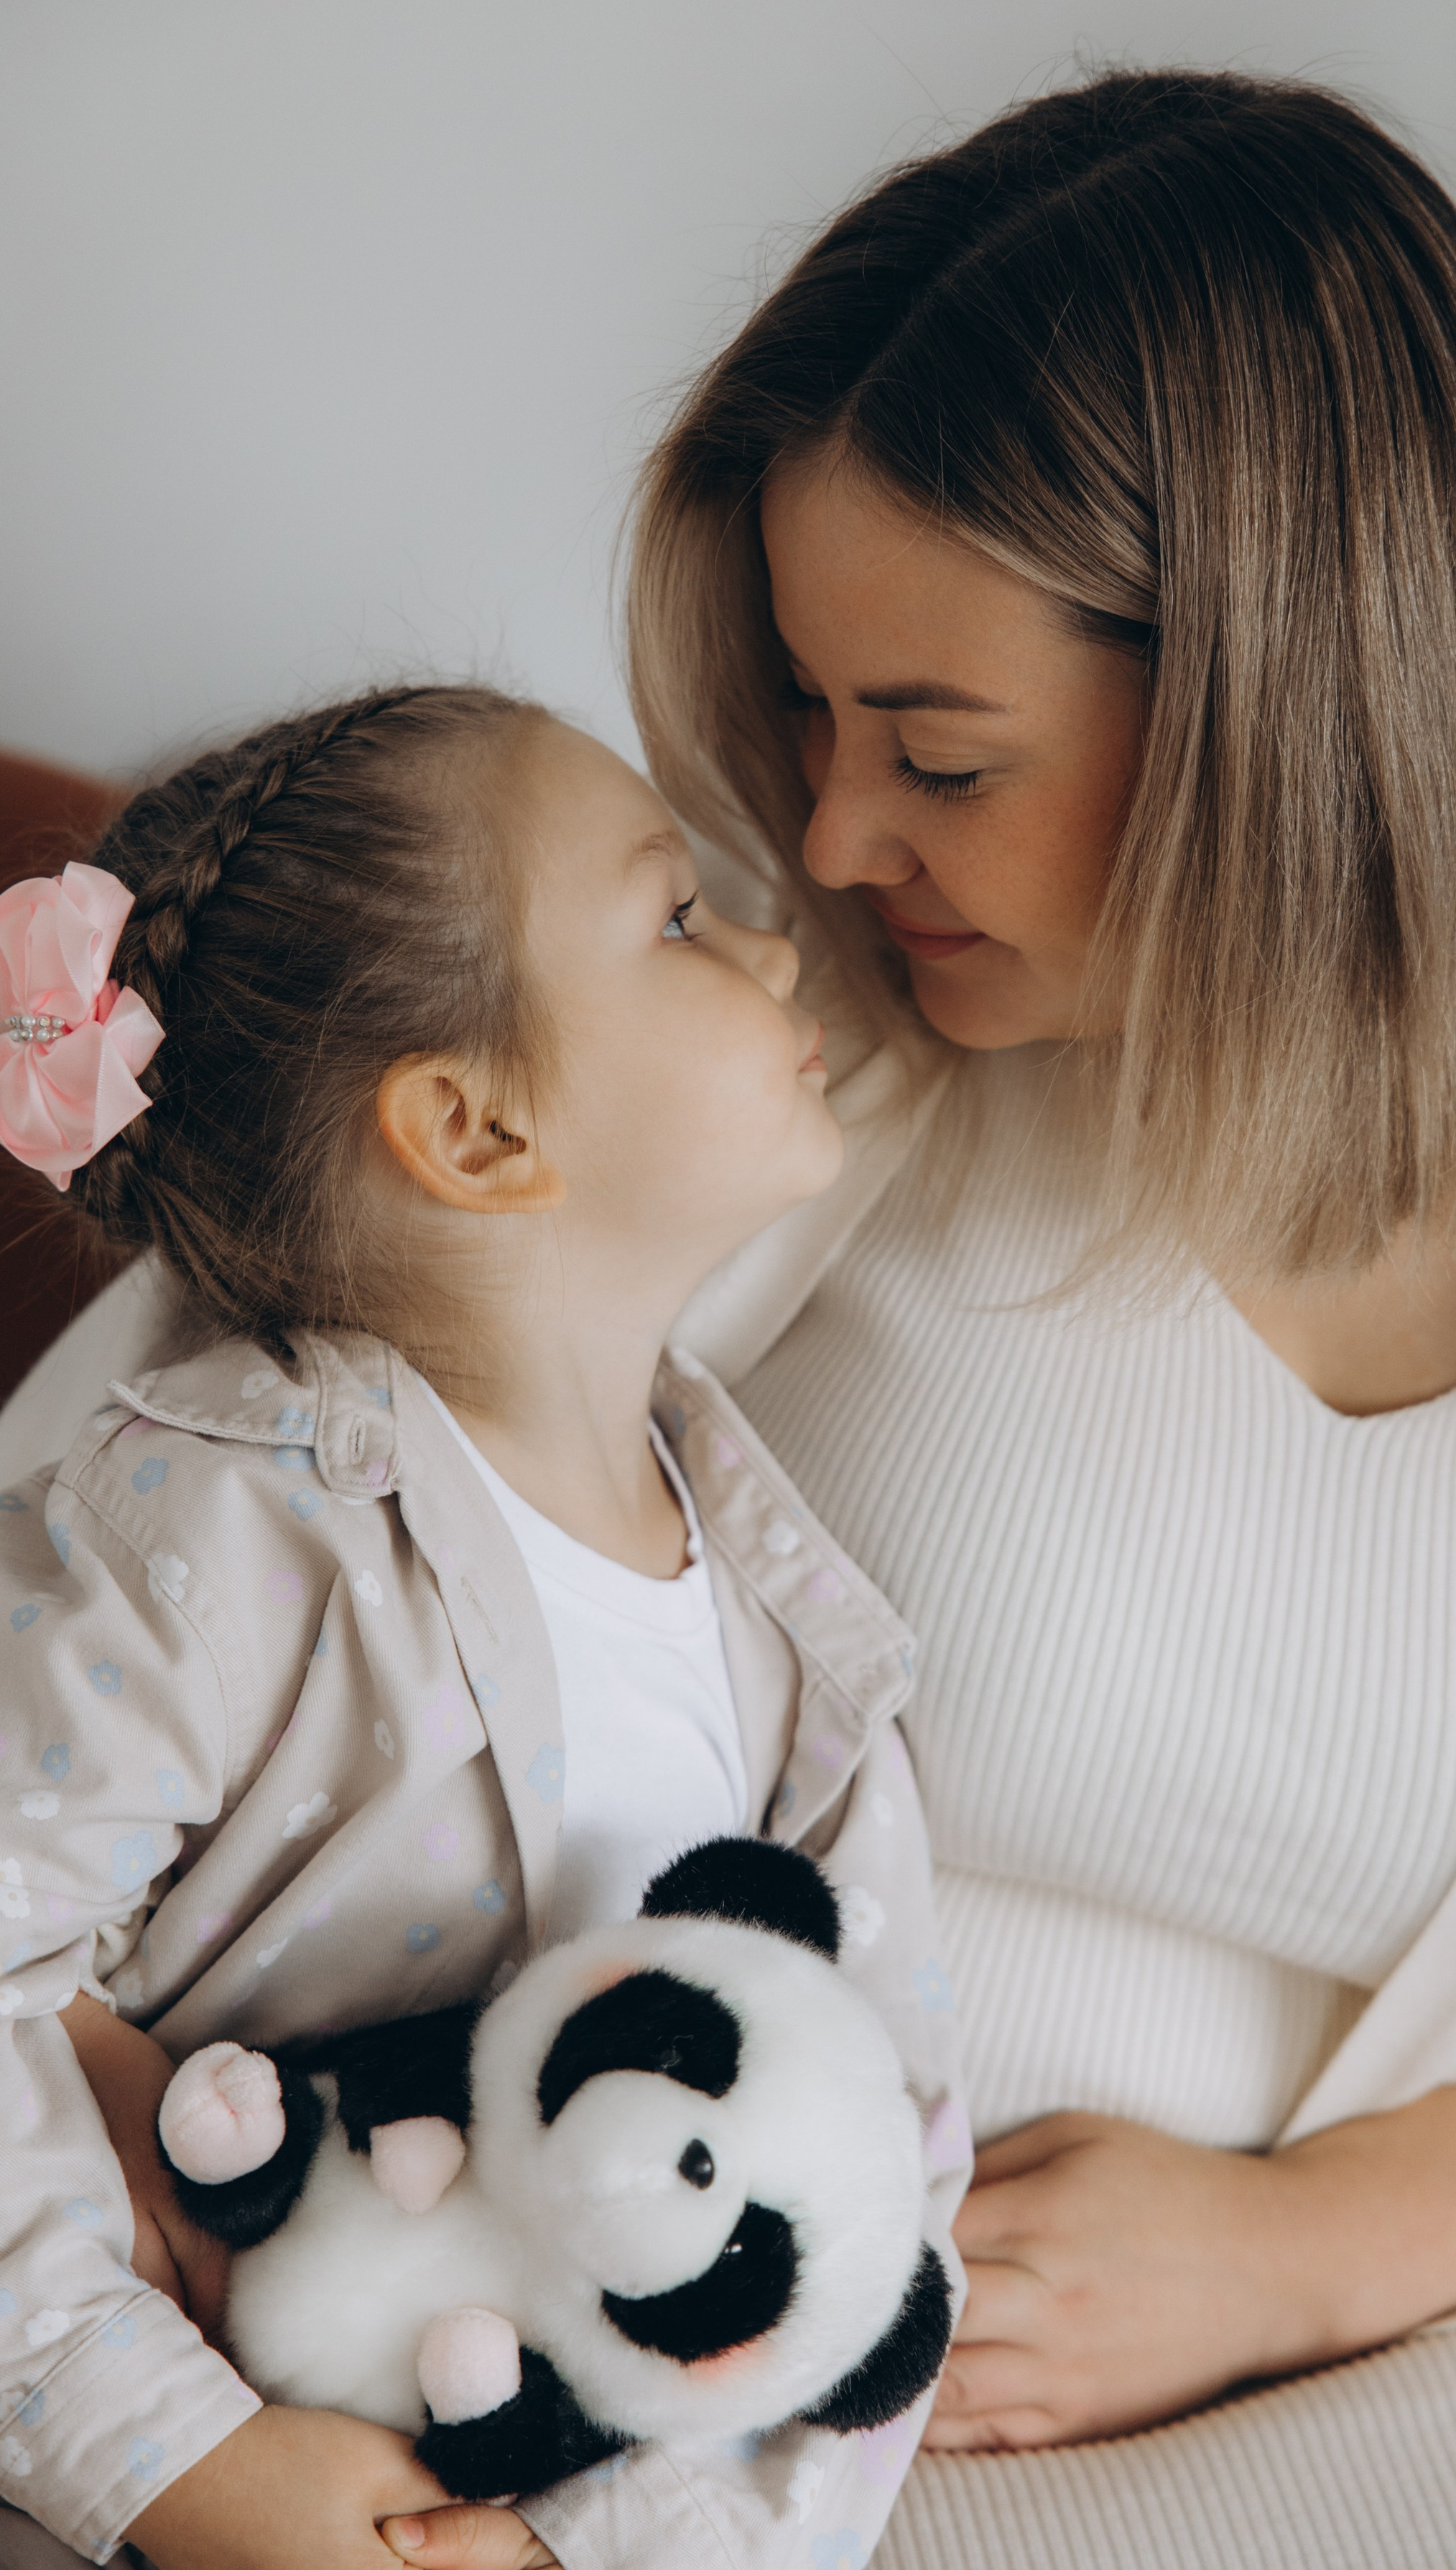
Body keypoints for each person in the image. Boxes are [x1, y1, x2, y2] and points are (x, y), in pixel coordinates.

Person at [9, 68, 1456, 2570]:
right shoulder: (730, 1081)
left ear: (1294, 722)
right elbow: (120, 1610)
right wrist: (164, 2255)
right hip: (617, 2354)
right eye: (810, 712)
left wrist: (1324, 2245)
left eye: (942, 757)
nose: (831, 841)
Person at [0, 685, 967, 2570]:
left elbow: (892, 2172)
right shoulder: (220, 1536)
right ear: (475, 1125)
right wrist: (183, 2464)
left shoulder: (800, 1652)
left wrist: (629, 2545)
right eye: (678, 915)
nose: (778, 949)